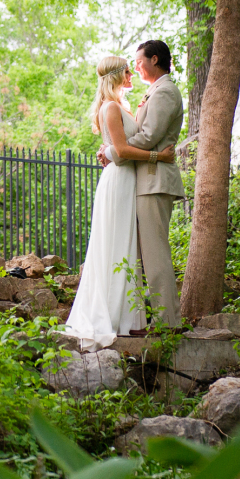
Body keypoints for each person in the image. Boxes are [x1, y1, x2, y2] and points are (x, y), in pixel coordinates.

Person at [65, 56, 175, 351]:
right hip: (118, 181)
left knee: (128, 247)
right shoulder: (111, 107)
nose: (132, 73)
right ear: (116, 76)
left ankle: (131, 320)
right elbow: (124, 150)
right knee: (115, 245)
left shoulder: (123, 106)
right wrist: (158, 157)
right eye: (128, 70)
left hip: (130, 181)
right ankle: (115, 318)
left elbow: (118, 147)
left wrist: (109, 150)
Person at [124, 39, 185, 330]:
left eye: (139, 61)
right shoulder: (154, 92)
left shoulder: (165, 92)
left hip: (155, 180)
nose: (136, 67)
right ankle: (146, 316)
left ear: (155, 60)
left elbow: (149, 136)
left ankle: (167, 323)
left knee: (155, 253)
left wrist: (116, 148)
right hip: (145, 180)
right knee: (142, 253)